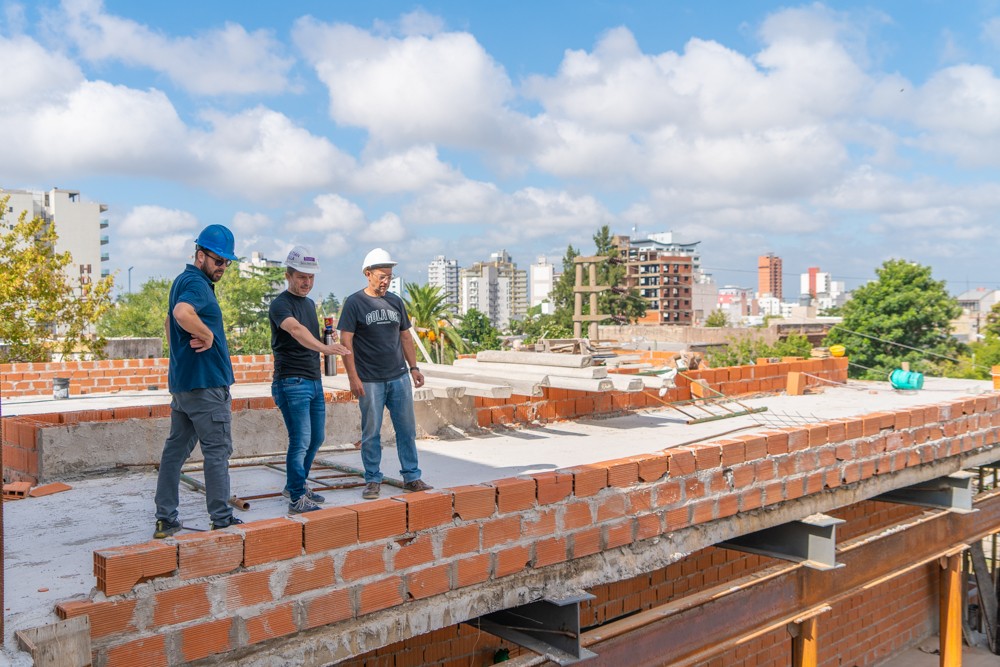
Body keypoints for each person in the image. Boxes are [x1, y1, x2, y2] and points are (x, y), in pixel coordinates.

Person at [154, 224, 243, 538]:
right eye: (218, 261)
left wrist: (181, 356)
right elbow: (180, 313)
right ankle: (222, 519)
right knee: (217, 451)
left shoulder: (182, 280)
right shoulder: (196, 283)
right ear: (200, 255)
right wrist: (206, 334)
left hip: (185, 386)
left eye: (226, 262)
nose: (222, 267)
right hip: (206, 386)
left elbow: (168, 319)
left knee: (174, 453)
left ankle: (166, 519)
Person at [339, 248, 433, 499]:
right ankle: (372, 479)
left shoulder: (395, 302)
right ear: (367, 274)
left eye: (389, 276)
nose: (386, 281)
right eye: (381, 276)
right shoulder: (354, 303)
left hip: (399, 377)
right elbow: (345, 342)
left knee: (406, 430)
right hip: (369, 380)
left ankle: (411, 477)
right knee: (371, 432)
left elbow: (405, 336)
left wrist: (414, 368)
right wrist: (353, 377)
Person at [269, 246, 351, 514]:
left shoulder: (309, 303)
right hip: (291, 382)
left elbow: (312, 335)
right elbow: (296, 330)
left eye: (311, 278)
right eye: (301, 277)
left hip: (313, 381)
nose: (307, 282)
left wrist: (327, 344)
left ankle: (296, 484)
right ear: (288, 275)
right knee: (300, 439)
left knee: (316, 438)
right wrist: (324, 349)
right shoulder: (280, 304)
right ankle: (295, 497)